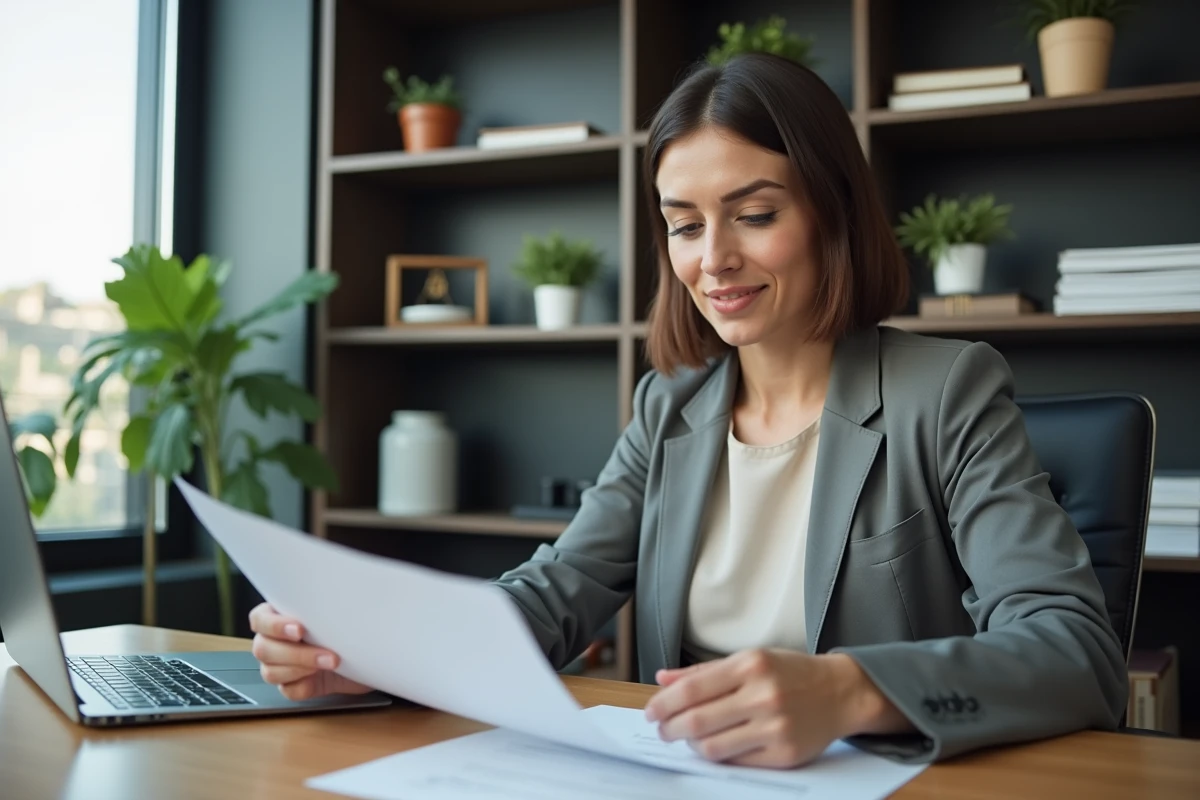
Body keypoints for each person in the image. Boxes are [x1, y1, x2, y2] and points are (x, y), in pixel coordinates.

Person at [249, 52, 1127, 768]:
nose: (715, 260)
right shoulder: (669, 406)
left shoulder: (948, 389)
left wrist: (854, 689)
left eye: (753, 214)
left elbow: (1073, 648)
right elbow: (558, 593)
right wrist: (372, 656)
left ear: (834, 217)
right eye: (685, 224)